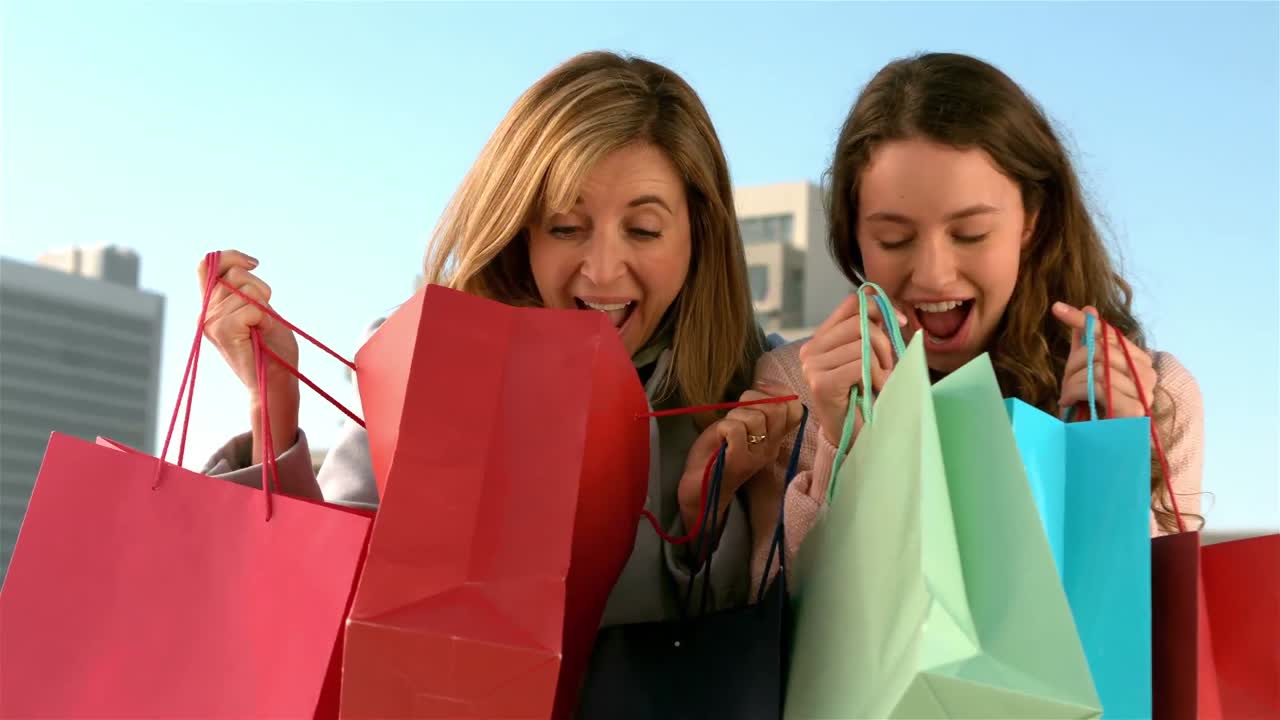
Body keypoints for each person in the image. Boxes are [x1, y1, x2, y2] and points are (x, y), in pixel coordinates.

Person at [197, 51, 802, 627]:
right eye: (566, 226)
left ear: (699, 235)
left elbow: (785, 648)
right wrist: (271, 400)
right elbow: (320, 603)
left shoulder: (762, 387)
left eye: (643, 230)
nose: (602, 269)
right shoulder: (426, 361)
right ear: (521, 232)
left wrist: (706, 518)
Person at [748, 51, 1203, 585]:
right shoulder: (796, 388)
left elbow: (1154, 641)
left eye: (970, 234)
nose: (935, 275)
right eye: (894, 238)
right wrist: (839, 447)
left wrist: (1114, 464)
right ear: (854, 238)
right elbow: (777, 633)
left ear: (1031, 223)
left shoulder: (1155, 394)